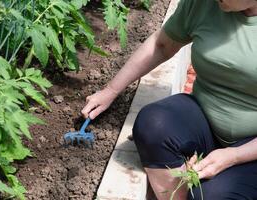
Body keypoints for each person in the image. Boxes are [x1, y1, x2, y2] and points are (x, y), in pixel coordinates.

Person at [82, 0, 257, 199]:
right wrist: (111, 90)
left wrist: (233, 157)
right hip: (206, 119)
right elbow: (162, 44)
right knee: (153, 124)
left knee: (211, 195)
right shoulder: (206, 4)